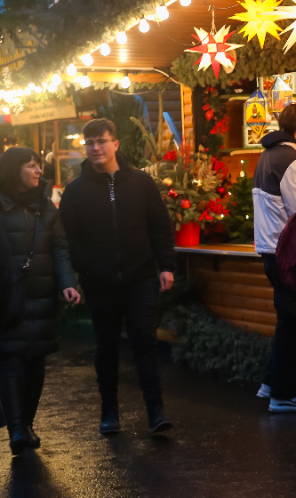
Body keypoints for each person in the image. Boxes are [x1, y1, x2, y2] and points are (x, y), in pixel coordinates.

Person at [59, 118, 175, 435]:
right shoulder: (75, 191)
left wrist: (165, 265)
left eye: (101, 141)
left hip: (141, 278)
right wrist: (75, 274)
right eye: (90, 143)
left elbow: (160, 226)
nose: (95, 148)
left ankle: (156, 411)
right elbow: (66, 238)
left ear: (115, 144)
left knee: (144, 341)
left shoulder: (140, 183)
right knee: (106, 347)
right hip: (100, 282)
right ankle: (109, 410)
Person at [0, 148, 81, 454]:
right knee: (10, 358)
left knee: (35, 361)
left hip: (43, 295)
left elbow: (59, 248)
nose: (38, 171)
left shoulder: (46, 207)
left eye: (38, 166)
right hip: (7, 298)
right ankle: (17, 429)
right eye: (31, 166)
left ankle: (27, 424)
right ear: (13, 171)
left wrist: (67, 284)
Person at [252, 103, 296, 413]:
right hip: (286, 252)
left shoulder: (266, 155)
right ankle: (284, 394)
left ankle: (270, 383)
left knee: (285, 320)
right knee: (293, 323)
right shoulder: (292, 160)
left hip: (267, 248)